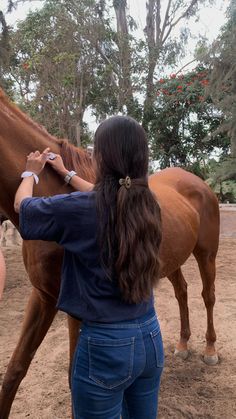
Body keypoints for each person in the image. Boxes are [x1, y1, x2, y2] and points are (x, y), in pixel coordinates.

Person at [14, 116, 164, 419]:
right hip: (150, 337)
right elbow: (103, 194)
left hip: (105, 348)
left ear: (102, 158)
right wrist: (67, 174)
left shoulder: (78, 210)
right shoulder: (148, 202)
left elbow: (23, 208)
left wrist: (30, 174)